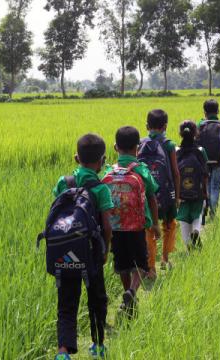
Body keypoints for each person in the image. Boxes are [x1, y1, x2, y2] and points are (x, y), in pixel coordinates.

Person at [52, 134, 113, 360]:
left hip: (65, 252)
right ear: (102, 160)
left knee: (66, 302)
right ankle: (97, 346)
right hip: (91, 252)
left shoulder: (63, 182)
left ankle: (63, 351)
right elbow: (107, 225)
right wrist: (105, 250)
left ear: (76, 158)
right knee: (97, 298)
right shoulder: (100, 188)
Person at [103, 126, 161, 316]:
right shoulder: (141, 170)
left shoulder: (107, 172)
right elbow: (152, 197)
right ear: (138, 148)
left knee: (122, 266)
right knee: (141, 266)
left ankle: (127, 293)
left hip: (115, 227)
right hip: (137, 227)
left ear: (115, 147)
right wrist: (155, 223)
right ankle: (132, 291)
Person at [138, 109, 180, 277]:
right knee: (170, 224)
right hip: (166, 192)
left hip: (147, 194)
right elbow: (176, 172)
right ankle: (165, 258)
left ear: (147, 126)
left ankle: (150, 268)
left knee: (149, 229)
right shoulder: (169, 144)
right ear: (165, 126)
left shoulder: (140, 144)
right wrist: (177, 196)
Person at [176, 121, 209, 251]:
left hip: (182, 193)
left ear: (181, 134)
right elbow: (205, 173)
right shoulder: (201, 150)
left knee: (184, 219)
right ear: (196, 133)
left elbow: (174, 173)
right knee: (197, 214)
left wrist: (176, 194)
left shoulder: (176, 151)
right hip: (198, 191)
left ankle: (189, 245)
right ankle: (196, 230)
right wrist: (205, 192)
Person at [198, 99, 220, 217]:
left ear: (204, 112)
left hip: (204, 162)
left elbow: (196, 142)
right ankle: (213, 212)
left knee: (206, 185)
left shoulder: (201, 124)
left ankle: (205, 206)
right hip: (218, 161)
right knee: (216, 186)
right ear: (218, 110)